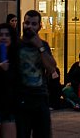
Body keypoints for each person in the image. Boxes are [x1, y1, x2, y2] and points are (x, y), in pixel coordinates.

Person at [16, 9, 59, 138]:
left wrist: (40, 47)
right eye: (27, 23)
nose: (29, 26)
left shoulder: (43, 46)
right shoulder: (17, 45)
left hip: (40, 98)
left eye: (34, 24)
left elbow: (52, 68)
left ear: (40, 26)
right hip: (21, 99)